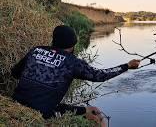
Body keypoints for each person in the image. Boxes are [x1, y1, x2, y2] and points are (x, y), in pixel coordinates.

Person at [11, 25, 140, 126]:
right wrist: (127, 66)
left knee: (84, 109)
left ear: (54, 40)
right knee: (96, 114)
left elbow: (15, 73)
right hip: (44, 112)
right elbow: (100, 75)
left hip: (16, 103)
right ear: (73, 45)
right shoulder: (72, 62)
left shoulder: (36, 50)